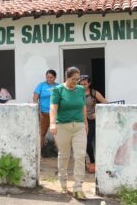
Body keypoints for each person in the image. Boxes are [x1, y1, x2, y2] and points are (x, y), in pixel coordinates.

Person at [50, 66, 88, 200]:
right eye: (73, 79)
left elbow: (83, 107)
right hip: (62, 127)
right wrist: (52, 123)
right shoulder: (58, 90)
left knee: (80, 156)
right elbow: (53, 107)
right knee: (64, 155)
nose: (76, 82)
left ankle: (78, 187)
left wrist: (86, 123)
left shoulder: (80, 90)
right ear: (67, 77)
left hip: (79, 127)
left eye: (78, 79)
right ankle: (63, 182)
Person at [79, 75, 107, 173]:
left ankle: (92, 162)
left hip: (91, 121)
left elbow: (105, 103)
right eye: (81, 84)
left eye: (85, 84)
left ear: (89, 84)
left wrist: (96, 113)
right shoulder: (75, 93)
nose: (83, 86)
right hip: (79, 121)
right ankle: (82, 163)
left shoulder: (94, 93)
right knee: (79, 143)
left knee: (87, 142)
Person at [33, 69, 59, 148]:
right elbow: (35, 99)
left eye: (51, 77)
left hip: (56, 114)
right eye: (47, 77)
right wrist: (38, 111)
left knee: (58, 134)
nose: (49, 79)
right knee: (42, 133)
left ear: (55, 77)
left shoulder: (58, 86)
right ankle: (39, 153)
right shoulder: (41, 85)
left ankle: (60, 154)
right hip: (44, 113)